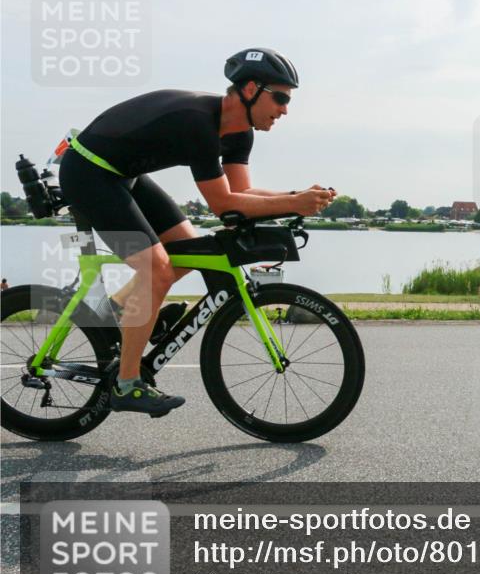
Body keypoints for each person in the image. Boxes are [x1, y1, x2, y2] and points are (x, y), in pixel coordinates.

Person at [59, 48, 333, 417]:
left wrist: (296, 197)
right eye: (281, 98)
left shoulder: (240, 134)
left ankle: (122, 315)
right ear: (250, 89)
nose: (285, 110)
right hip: (88, 171)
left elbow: (242, 193)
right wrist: (294, 203)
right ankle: (126, 384)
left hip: (124, 175)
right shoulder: (198, 123)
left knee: (190, 251)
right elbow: (222, 204)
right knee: (156, 269)